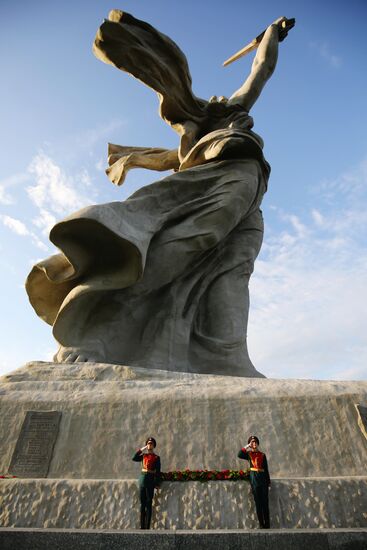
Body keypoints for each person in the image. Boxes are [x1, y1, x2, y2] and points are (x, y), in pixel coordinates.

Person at [26, 11, 294, 377]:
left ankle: (223, 356)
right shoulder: (209, 129)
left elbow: (260, 69)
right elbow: (255, 76)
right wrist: (136, 159)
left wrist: (271, 37)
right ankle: (100, 323)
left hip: (250, 191)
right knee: (197, 238)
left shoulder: (232, 114)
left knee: (233, 271)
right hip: (223, 177)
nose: (219, 97)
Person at [238, 435, 271, 528]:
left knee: (265, 502)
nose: (254, 443)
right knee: (258, 503)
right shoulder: (248, 454)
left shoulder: (262, 455)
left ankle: (267, 524)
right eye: (252, 442)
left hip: (263, 479)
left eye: (255, 442)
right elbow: (239, 454)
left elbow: (266, 469)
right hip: (254, 480)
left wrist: (268, 482)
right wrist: (247, 446)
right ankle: (261, 524)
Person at [132, 437, 161, 529]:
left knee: (148, 504)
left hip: (150, 482)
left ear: (154, 445)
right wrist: (142, 449)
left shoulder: (156, 458)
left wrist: (156, 483)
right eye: (148, 443)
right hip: (142, 481)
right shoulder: (143, 456)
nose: (150, 445)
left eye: (151, 443)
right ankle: (142, 526)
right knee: (142, 504)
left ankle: (147, 526)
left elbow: (158, 472)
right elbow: (134, 458)